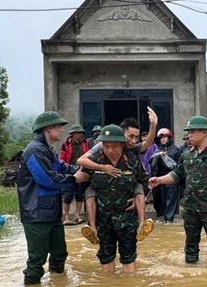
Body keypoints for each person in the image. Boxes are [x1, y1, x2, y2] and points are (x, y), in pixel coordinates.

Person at [149, 116, 207, 263]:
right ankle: (191, 275)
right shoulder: (186, 154)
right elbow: (177, 174)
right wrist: (159, 180)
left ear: (204, 132)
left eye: (192, 132)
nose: (189, 135)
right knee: (190, 246)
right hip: (190, 208)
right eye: (188, 132)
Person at [17, 111, 86, 284]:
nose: (62, 131)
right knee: (37, 260)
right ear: (48, 129)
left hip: (51, 212)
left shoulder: (47, 149)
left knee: (59, 254)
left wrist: (78, 169)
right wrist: (74, 179)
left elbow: (61, 166)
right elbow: (46, 179)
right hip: (36, 213)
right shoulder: (33, 150)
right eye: (59, 127)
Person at [77, 108, 158, 245]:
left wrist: (153, 125)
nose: (133, 140)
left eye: (136, 137)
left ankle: (142, 224)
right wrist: (102, 168)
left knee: (138, 187)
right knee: (89, 190)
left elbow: (147, 144)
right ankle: (92, 228)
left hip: (126, 194)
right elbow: (81, 160)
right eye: (130, 136)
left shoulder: (132, 152)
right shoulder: (103, 146)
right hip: (100, 186)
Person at [82, 125, 148, 273]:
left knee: (128, 258)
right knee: (106, 259)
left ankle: (142, 225)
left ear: (122, 145)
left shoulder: (132, 160)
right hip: (103, 220)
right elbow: (81, 175)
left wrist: (141, 201)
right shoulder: (96, 160)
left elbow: (144, 181)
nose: (110, 150)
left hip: (127, 219)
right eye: (106, 146)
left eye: (115, 146)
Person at [59, 124, 89, 225]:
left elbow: (88, 155)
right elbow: (62, 159)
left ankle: (77, 215)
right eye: (78, 133)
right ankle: (66, 217)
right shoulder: (66, 144)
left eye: (81, 133)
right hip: (69, 171)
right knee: (68, 195)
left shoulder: (85, 143)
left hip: (81, 170)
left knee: (80, 194)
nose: (80, 135)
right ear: (73, 134)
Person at [150, 128, 181, 223]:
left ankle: (169, 218)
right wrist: (158, 157)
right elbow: (152, 164)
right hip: (160, 178)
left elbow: (178, 165)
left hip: (171, 178)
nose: (163, 140)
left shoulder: (175, 150)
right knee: (161, 198)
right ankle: (162, 217)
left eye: (164, 137)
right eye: (161, 138)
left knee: (170, 199)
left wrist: (165, 157)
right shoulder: (157, 150)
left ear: (169, 138)